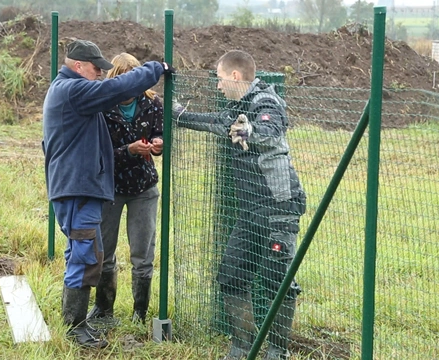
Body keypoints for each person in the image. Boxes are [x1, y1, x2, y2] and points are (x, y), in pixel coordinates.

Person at [173, 50, 306, 360]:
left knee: (278, 283)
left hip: (278, 208)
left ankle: (277, 352)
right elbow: (212, 122)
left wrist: (249, 131)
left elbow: (269, 130)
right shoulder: (236, 109)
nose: (218, 87)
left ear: (234, 76)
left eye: (220, 79)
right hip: (249, 211)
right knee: (231, 278)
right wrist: (177, 113)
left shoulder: (265, 101)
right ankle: (241, 348)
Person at [42, 39, 174, 349]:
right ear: (77, 66)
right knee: (85, 254)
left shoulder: (66, 90)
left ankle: (76, 321)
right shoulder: (73, 90)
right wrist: (156, 68)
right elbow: (115, 89)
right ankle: (75, 327)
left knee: (86, 253)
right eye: (95, 68)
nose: (101, 73)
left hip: (79, 186)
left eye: (103, 69)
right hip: (78, 188)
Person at [86, 53, 163, 327]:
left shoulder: (152, 103)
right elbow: (98, 152)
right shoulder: (101, 107)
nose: (132, 86)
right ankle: (103, 308)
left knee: (143, 253)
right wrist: (129, 150)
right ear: (115, 79)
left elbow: (162, 133)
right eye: (125, 79)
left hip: (144, 186)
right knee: (104, 250)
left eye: (136, 79)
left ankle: (139, 312)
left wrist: (158, 144)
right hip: (111, 186)